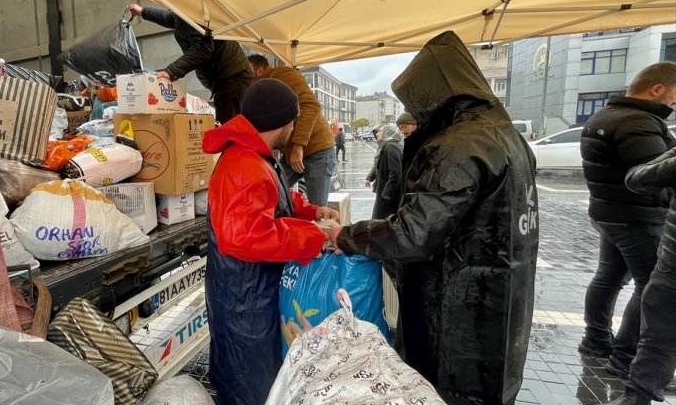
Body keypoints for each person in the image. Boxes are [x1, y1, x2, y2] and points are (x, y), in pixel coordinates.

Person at [331, 31, 539, 405]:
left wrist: (346, 236)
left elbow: (414, 233)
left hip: (456, 320)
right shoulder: (507, 137)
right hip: (500, 314)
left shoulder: (459, 145)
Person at [202, 78, 338, 405]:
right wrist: (314, 237)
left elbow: (275, 198)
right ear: (280, 120)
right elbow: (244, 235)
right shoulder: (243, 164)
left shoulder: (256, 156)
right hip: (244, 305)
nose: (294, 127)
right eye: (293, 119)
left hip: (252, 295)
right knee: (251, 390)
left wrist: (310, 211)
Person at [577, 62, 676, 380]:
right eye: (674, 95)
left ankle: (595, 342)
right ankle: (624, 360)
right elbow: (650, 175)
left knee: (607, 278)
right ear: (657, 88)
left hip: (609, 214)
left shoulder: (605, 115)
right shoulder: (638, 122)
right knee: (649, 287)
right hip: (638, 216)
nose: (674, 103)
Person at [603, 148, 676, 405]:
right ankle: (637, 395)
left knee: (658, 333)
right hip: (671, 263)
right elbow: (636, 179)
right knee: (657, 333)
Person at [127, 4, 252, 124]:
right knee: (230, 131)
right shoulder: (184, 12)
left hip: (232, 80)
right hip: (229, 78)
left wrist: (170, 72)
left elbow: (203, 49)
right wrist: (143, 12)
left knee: (230, 133)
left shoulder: (194, 12)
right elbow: (171, 18)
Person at [247, 54, 336, 206]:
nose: (244, 78)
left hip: (316, 150)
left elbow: (311, 105)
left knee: (318, 210)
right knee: (268, 191)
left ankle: (318, 226)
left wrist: (298, 146)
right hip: (291, 153)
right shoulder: (261, 90)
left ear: (259, 71)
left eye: (247, 73)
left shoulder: (284, 75)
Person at [365, 123, 404, 219]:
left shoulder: (391, 146)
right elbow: (377, 165)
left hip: (388, 193)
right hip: (386, 191)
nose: (376, 134)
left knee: (380, 219)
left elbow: (396, 172)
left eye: (379, 131)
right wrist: (371, 177)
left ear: (387, 132)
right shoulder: (387, 145)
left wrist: (387, 192)